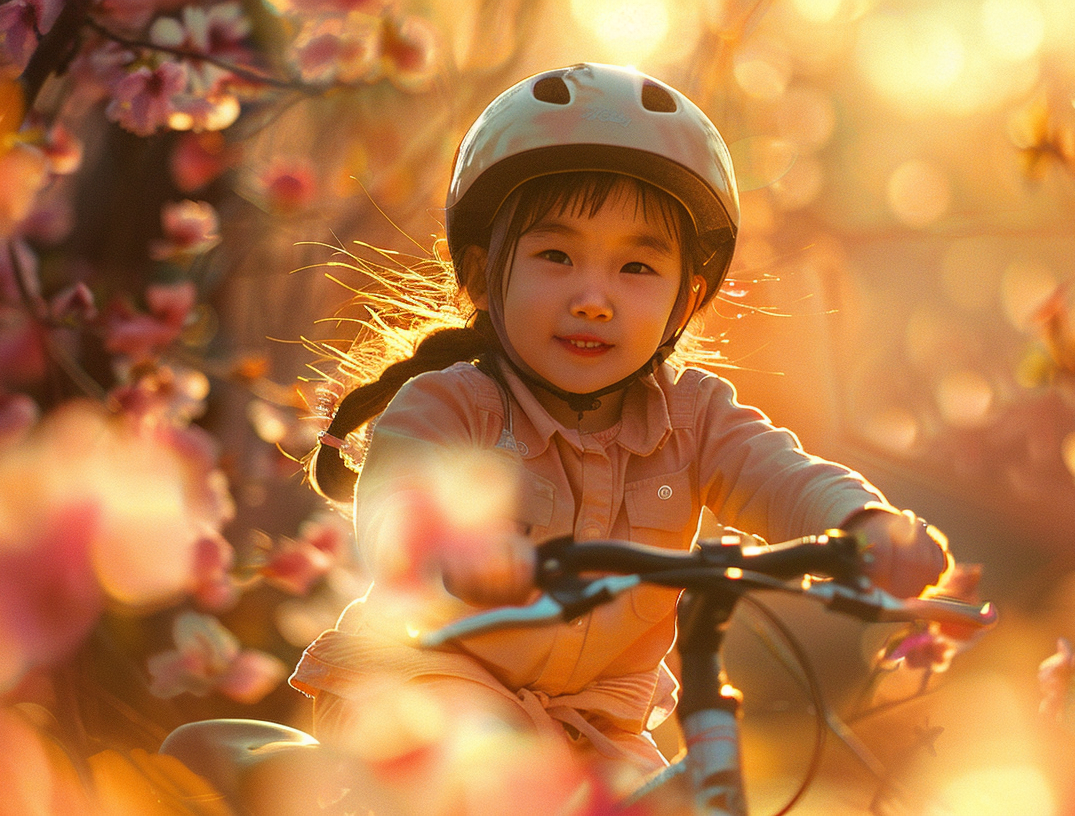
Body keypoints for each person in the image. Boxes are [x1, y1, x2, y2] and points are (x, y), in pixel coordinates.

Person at [290, 62, 952, 789]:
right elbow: (399, 507)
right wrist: (457, 548)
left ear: (686, 298)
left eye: (637, 267)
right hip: (424, 691)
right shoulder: (449, 407)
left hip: (594, 727)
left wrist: (864, 524)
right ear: (482, 275)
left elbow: (781, 472)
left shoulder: (696, 418)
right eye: (555, 255)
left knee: (689, 798)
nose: (594, 298)